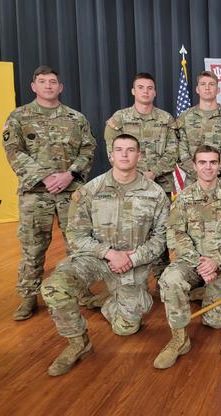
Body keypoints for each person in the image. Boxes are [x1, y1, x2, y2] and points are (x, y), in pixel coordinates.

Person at [40, 134, 169, 376]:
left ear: (139, 156)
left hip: (133, 263)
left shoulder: (155, 194)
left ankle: (110, 302)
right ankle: (78, 343)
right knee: (53, 287)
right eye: (119, 149)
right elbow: (76, 235)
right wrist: (109, 253)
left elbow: (161, 239)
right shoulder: (90, 191)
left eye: (130, 150)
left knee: (126, 328)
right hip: (95, 259)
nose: (124, 154)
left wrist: (133, 258)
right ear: (110, 155)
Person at [3, 65, 97, 320]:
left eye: (53, 81)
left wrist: (69, 175)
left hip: (70, 191)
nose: (48, 85)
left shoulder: (76, 118)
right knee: (33, 246)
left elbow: (88, 150)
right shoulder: (19, 117)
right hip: (35, 193)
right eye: (42, 81)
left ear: (60, 87)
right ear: (33, 86)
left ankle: (81, 290)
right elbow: (14, 151)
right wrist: (45, 176)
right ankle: (28, 296)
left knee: (77, 245)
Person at [154, 145, 221, 369]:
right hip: (191, 261)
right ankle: (179, 339)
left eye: (213, 162)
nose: (208, 167)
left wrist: (217, 260)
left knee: (215, 323)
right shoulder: (184, 198)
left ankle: (202, 291)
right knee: (169, 279)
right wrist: (200, 263)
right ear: (195, 166)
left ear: (219, 165)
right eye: (203, 163)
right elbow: (176, 232)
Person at [105, 72, 178, 279]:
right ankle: (130, 274)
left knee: (160, 230)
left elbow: (174, 151)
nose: (145, 91)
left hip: (159, 185)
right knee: (130, 230)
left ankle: (163, 276)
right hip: (127, 186)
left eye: (149, 88)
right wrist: (135, 175)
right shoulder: (120, 118)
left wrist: (152, 173)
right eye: (141, 87)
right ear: (133, 91)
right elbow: (113, 151)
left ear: (154, 92)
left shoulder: (166, 119)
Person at [177, 71, 221, 185]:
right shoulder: (185, 117)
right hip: (193, 182)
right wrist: (198, 172)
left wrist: (216, 171)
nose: (207, 88)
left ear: (218, 90)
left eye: (211, 84)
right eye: (203, 84)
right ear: (197, 89)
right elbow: (180, 149)